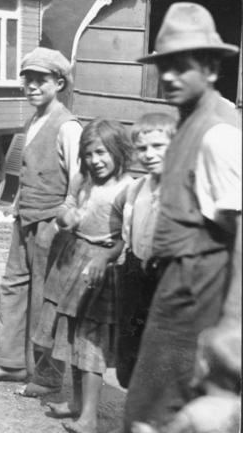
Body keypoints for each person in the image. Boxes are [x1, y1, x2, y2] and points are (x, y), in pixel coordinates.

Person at [124, 2, 241, 431]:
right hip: (178, 280)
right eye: (163, 67)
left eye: (181, 66)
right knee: (151, 404)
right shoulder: (188, 123)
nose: (168, 77)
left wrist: (231, 327)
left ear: (210, 68)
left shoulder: (219, 133)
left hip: (200, 288)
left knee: (157, 412)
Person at [0, 47, 82, 398]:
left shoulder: (68, 125)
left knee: (46, 297)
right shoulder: (33, 120)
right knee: (14, 286)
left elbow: (78, 179)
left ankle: (48, 374)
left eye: (41, 80)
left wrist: (63, 215)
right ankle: (11, 361)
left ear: (59, 82)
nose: (33, 86)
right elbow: (27, 170)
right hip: (25, 219)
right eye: (28, 80)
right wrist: (17, 203)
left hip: (50, 224)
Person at [33, 119, 133, 433]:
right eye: (89, 154)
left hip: (101, 270)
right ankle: (76, 403)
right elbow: (66, 206)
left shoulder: (127, 189)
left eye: (102, 152)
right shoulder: (82, 180)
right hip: (73, 260)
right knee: (72, 337)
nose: (95, 160)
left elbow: (124, 239)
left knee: (90, 344)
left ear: (118, 151)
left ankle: (89, 416)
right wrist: (66, 217)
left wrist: (105, 256)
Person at [114, 112, 176, 388]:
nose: (149, 154)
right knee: (131, 350)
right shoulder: (136, 188)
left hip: (167, 281)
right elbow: (123, 228)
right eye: (142, 149)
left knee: (162, 355)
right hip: (135, 275)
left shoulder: (183, 189)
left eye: (157, 146)